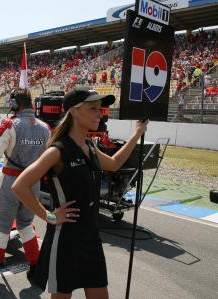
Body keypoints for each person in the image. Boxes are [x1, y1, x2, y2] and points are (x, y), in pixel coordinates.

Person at [11, 88, 148, 298]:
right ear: (74, 111)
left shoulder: (89, 146)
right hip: (65, 241)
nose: (99, 113)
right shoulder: (57, 151)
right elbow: (20, 186)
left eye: (100, 109)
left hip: (91, 238)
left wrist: (137, 133)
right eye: (93, 108)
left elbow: (114, 164)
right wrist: (48, 215)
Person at [0, 88, 51, 281]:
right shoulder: (45, 127)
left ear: (15, 103)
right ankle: (36, 265)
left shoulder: (10, 124)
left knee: (3, 226)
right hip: (33, 182)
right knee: (26, 224)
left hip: (11, 182)